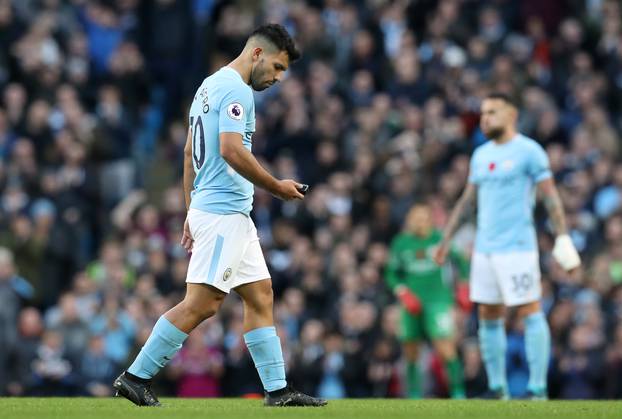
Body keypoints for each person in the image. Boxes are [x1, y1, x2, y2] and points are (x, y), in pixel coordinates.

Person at [113, 24, 326, 407]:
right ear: (257, 54)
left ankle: (277, 391)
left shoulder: (209, 85)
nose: (278, 78)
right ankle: (134, 377)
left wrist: (190, 209)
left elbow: (188, 152)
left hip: (224, 212)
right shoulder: (236, 90)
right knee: (203, 304)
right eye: (277, 67)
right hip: (223, 212)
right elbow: (230, 149)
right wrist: (277, 187)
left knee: (260, 294)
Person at [433, 93, 581, 400]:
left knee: (529, 310)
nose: (485, 118)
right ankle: (498, 387)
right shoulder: (481, 154)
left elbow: (551, 197)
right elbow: (467, 200)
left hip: (517, 247)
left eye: (492, 112)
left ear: (511, 114)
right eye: (483, 113)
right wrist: (445, 239)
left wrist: (563, 237)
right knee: (488, 313)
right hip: (485, 248)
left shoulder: (529, 151)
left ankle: (538, 389)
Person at [385, 204, 470, 399]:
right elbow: (391, 273)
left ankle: (458, 393)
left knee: (446, 349)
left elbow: (462, 261)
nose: (419, 223)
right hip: (411, 304)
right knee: (411, 351)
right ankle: (414, 395)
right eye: (415, 219)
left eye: (423, 218)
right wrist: (403, 292)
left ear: (430, 220)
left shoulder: (440, 239)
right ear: (409, 222)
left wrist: (463, 286)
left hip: (438, 302)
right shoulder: (401, 243)